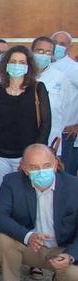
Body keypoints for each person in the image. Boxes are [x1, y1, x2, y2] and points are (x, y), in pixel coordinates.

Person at [0, 144, 78, 281]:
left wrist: (71, 256)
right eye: (34, 167)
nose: (41, 172)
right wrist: (27, 236)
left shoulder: (74, 186)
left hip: (62, 250)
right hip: (30, 246)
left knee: (74, 274)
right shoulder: (12, 181)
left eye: (46, 166)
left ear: (55, 164)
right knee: (3, 239)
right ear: (24, 168)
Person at [0, 45, 51, 229]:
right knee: (0, 197)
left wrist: (32, 157)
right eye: (13, 62)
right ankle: (0, 235)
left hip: (26, 156)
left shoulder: (38, 89)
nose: (17, 65)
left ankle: (29, 235)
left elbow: (45, 125)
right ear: (5, 65)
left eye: (21, 62)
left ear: (28, 66)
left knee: (27, 196)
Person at [32, 36, 70, 156]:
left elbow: (65, 109)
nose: (44, 55)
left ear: (52, 55)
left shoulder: (60, 77)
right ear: (31, 51)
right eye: (40, 51)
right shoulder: (23, 74)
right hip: (23, 140)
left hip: (51, 141)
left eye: (48, 52)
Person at [50, 31, 78, 176]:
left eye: (62, 44)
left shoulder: (73, 68)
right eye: (55, 43)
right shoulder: (45, 67)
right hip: (47, 133)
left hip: (66, 135)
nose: (57, 47)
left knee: (64, 178)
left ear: (70, 46)